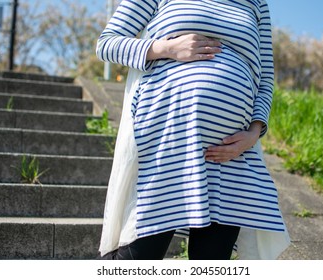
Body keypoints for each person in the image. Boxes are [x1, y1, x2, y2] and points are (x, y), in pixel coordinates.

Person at [96, 0, 290, 260]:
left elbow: (265, 77)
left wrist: (255, 132)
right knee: (137, 258)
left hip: (230, 157)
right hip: (167, 141)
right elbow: (107, 44)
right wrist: (166, 47)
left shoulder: (257, 3)